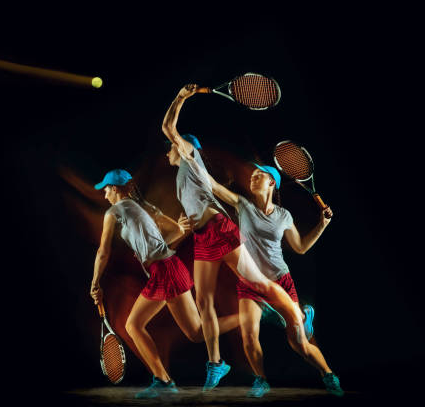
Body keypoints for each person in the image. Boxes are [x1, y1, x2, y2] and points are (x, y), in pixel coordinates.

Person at [162, 83, 305, 391]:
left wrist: (181, 96)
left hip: (220, 230)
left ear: (186, 146)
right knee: (203, 300)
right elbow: (196, 202)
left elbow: (168, 127)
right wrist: (184, 223)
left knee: (259, 285)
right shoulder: (182, 175)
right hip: (202, 236)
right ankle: (216, 362)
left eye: (173, 146)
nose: (168, 150)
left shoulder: (189, 155)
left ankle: (298, 311)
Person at [89, 169, 240, 399]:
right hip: (171, 266)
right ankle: (254, 314)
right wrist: (150, 252)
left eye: (107, 188)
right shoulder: (145, 208)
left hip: (163, 271)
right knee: (197, 333)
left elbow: (103, 251)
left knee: (133, 325)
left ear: (117, 189)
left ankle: (164, 381)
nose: (105, 193)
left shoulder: (113, 212)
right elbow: (178, 230)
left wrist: (95, 282)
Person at [208, 163, 344, 397]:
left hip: (280, 282)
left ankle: (328, 374)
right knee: (248, 334)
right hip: (250, 283)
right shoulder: (244, 206)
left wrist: (322, 224)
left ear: (271, 182)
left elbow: (300, 247)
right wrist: (189, 158)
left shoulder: (284, 216)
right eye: (252, 174)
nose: (253, 177)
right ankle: (261, 380)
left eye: (259, 175)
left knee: (300, 344)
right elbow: (214, 186)